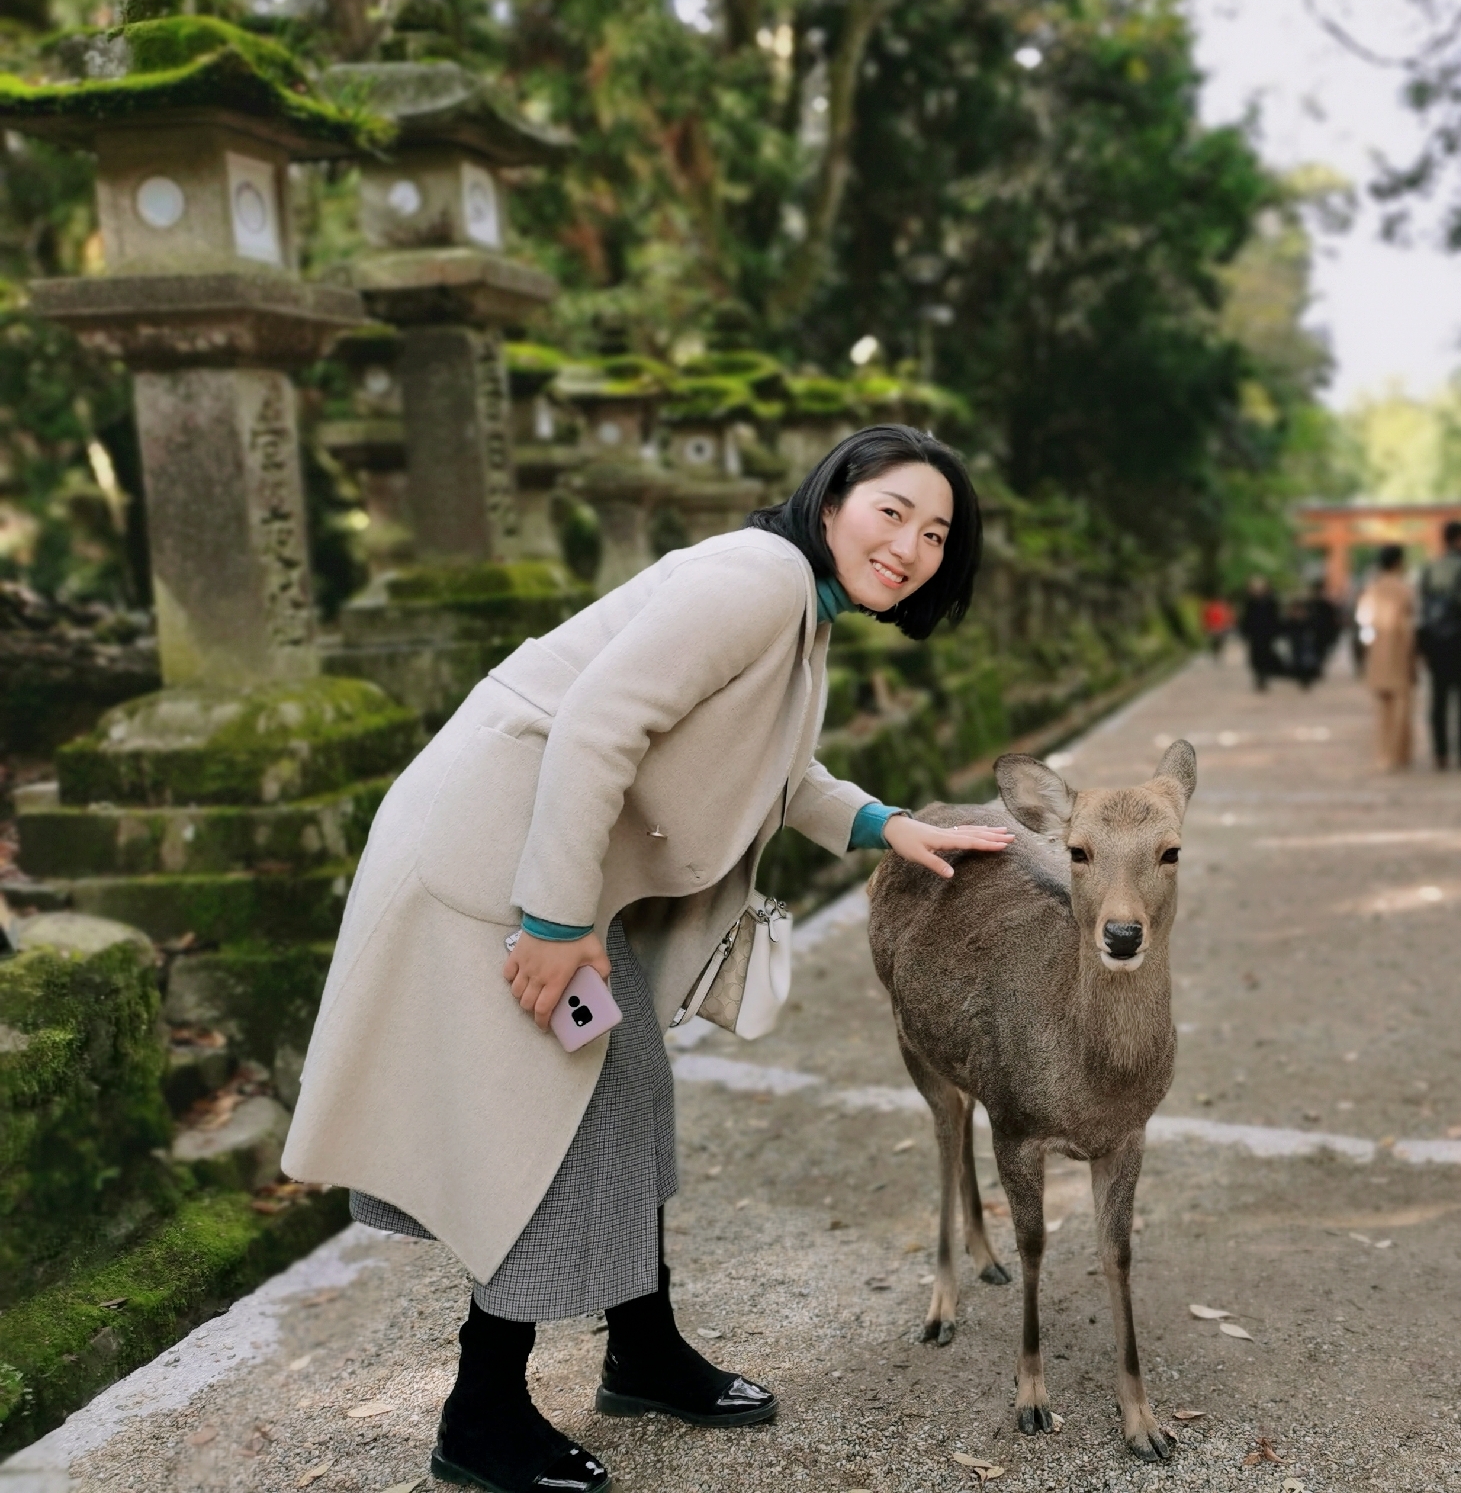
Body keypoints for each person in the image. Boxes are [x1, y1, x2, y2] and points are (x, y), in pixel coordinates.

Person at [282, 425, 1014, 1493]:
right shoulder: (762, 580)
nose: (909, 546)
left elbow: (776, 763)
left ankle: (643, 1347)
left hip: (546, 867)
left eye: (937, 534)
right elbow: (595, 726)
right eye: (892, 511)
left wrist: (881, 824)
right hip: (501, 866)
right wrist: (550, 921)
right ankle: (480, 1415)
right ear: (834, 497)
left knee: (624, 1094)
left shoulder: (801, 607)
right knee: (552, 1124)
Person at [1417, 520, 1461, 769]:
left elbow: (1422, 606)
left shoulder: (1430, 568)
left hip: (1437, 643)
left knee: (1439, 699)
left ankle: (1440, 754)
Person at [1356, 544, 1417, 770]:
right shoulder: (1404, 589)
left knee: (1382, 708)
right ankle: (1399, 752)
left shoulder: (1372, 589)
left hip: (1378, 652)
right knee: (1402, 705)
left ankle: (1383, 752)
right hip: (1400, 651)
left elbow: (1363, 622)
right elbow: (1410, 624)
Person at [1239, 575, 1280, 691]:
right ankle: (1259, 677)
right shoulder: (1249, 602)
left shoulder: (1271, 602)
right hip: (1254, 634)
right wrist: (1244, 632)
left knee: (1266, 655)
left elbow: (1275, 618)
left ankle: (1264, 677)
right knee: (1255, 656)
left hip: (1267, 634)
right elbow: (1245, 619)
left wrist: (1276, 631)